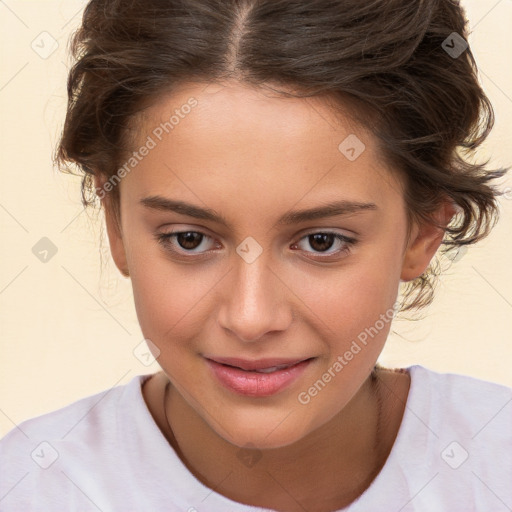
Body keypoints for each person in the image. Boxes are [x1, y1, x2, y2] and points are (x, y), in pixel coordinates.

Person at [1, 0, 511, 510]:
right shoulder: (32, 487)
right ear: (116, 224)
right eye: (189, 239)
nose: (250, 318)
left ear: (423, 231)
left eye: (321, 242)